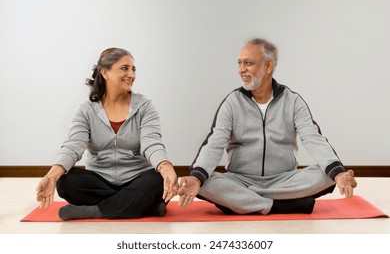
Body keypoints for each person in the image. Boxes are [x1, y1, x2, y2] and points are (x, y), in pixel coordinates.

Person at [178, 38, 357, 215]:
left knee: (328, 173)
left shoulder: (293, 101)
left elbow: (313, 138)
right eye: (239, 63)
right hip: (241, 180)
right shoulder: (232, 103)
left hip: (284, 180)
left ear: (268, 66)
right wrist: (196, 178)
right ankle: (277, 205)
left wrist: (339, 174)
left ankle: (245, 202)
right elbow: (214, 143)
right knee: (203, 181)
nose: (241, 70)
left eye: (248, 63)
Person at [35, 48, 178, 220]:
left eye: (133, 69)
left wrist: (165, 166)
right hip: (100, 179)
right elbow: (74, 145)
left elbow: (151, 142)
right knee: (65, 182)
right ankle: (143, 206)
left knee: (157, 180)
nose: (131, 74)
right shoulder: (85, 111)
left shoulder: (145, 107)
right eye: (124, 68)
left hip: (137, 178)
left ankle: (97, 210)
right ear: (105, 72)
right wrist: (51, 176)